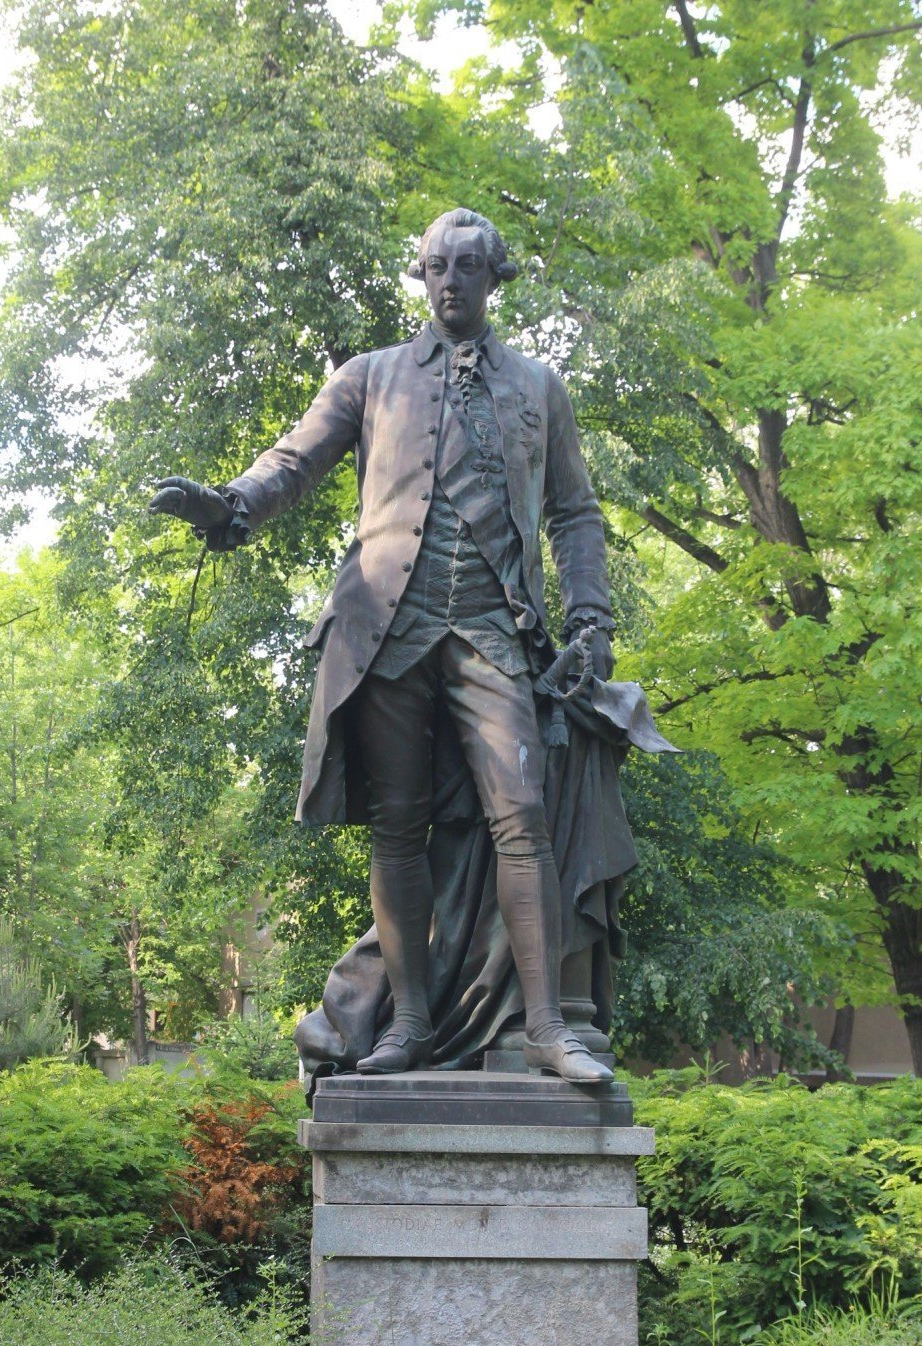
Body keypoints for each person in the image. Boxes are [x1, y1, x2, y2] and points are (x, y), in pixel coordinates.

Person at [150, 207, 668, 1084]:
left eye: (468, 266)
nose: (450, 282)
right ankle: (411, 1027)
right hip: (383, 628)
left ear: (494, 277)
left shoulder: (539, 387)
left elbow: (576, 515)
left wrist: (592, 624)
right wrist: (227, 505)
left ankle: (546, 1027)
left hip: (494, 630)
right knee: (395, 828)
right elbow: (292, 463)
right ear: (421, 275)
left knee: (523, 815)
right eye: (436, 267)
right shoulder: (372, 376)